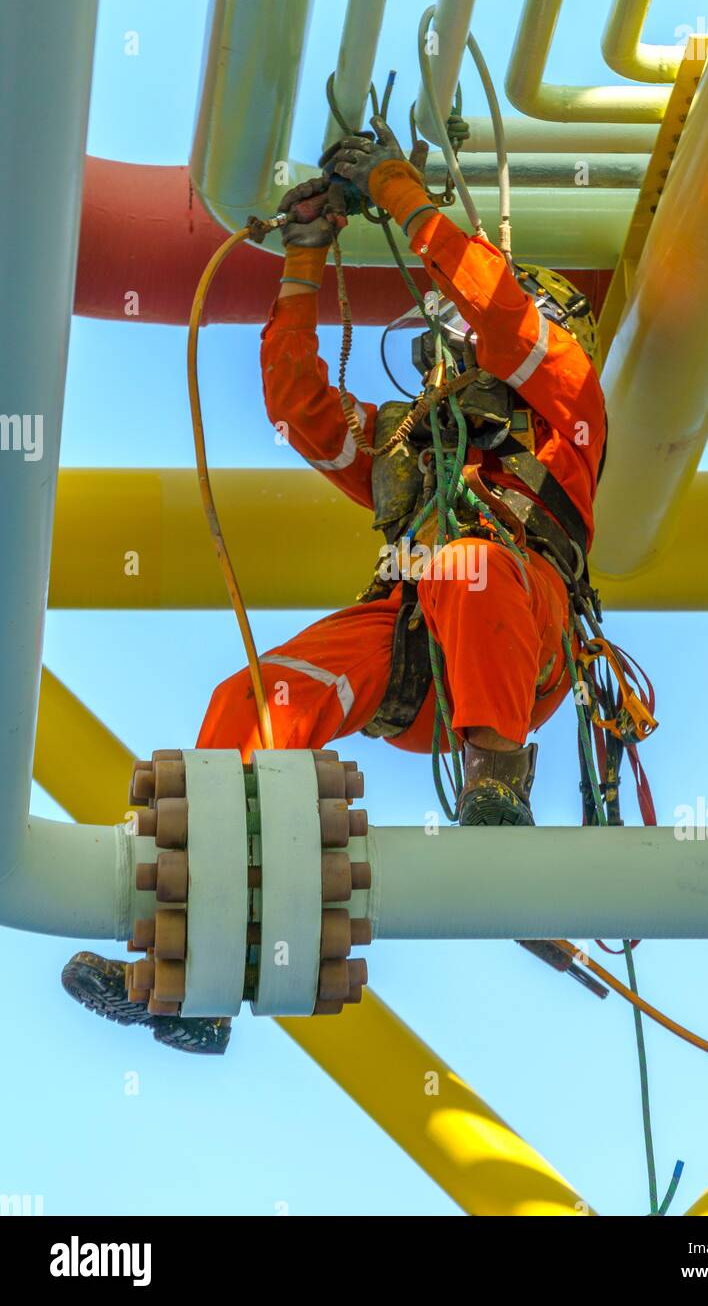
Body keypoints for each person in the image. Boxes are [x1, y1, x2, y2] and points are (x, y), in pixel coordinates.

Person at [62, 118, 607, 1054]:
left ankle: (497, 792)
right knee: (252, 700)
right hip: (420, 644)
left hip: (519, 644)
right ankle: (193, 978)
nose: (450, 354)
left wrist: (401, 194)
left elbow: (505, 319)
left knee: (470, 566)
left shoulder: (568, 408)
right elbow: (302, 410)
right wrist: (305, 260)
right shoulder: (420, 445)